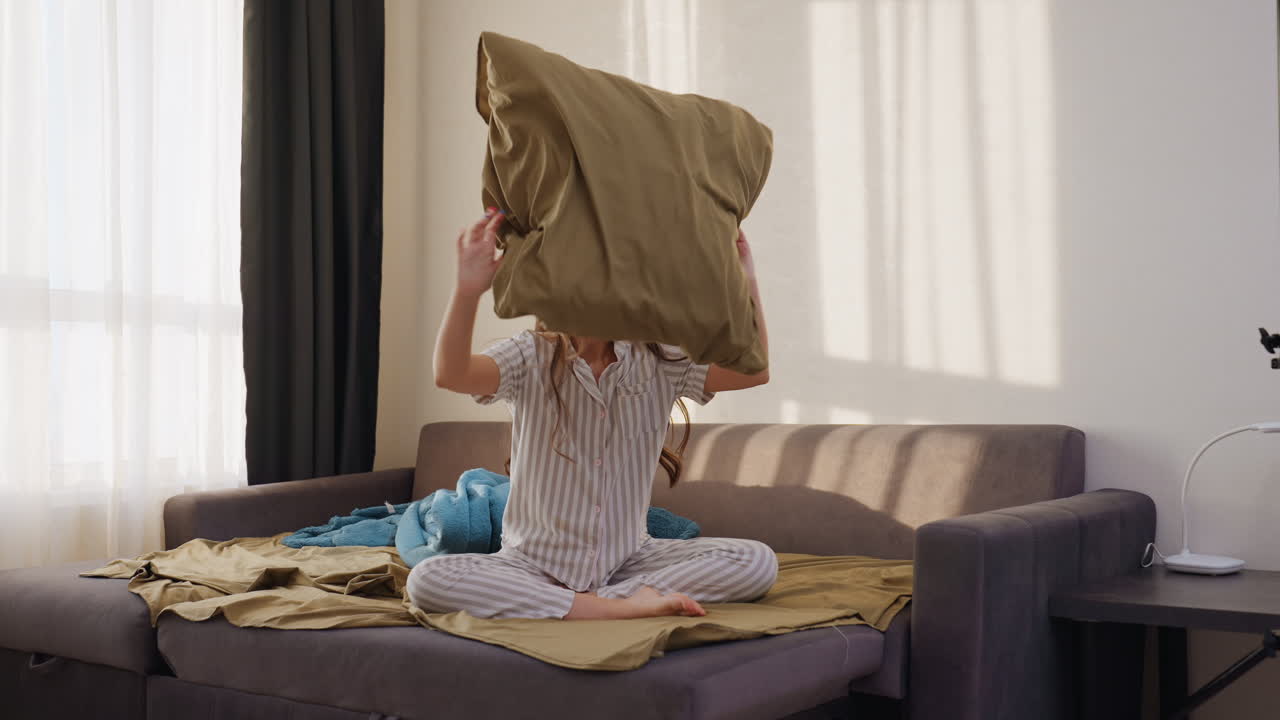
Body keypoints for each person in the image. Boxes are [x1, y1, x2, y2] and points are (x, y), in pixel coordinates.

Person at [406, 207, 776, 620]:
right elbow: (451, 373)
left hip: (628, 565)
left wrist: (747, 280)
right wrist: (468, 290)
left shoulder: (664, 361)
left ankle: (604, 604)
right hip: (530, 567)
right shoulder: (531, 355)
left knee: (757, 561)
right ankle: (610, 609)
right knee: (427, 579)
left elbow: (754, 371)